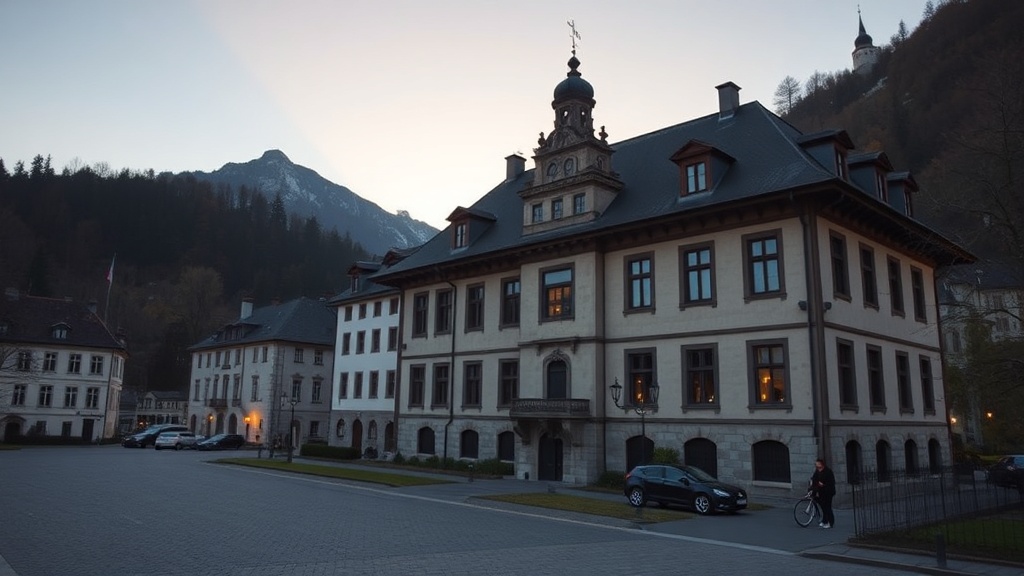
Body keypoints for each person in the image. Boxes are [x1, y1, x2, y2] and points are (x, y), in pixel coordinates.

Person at [810, 458, 836, 529]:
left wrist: (823, 485)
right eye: (816, 464)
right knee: (823, 506)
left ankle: (830, 523)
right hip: (821, 491)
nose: (817, 465)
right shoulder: (817, 471)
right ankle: (824, 521)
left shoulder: (828, 472)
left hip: (828, 492)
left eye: (818, 464)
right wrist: (812, 489)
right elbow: (814, 480)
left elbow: (831, 483)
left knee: (827, 507)